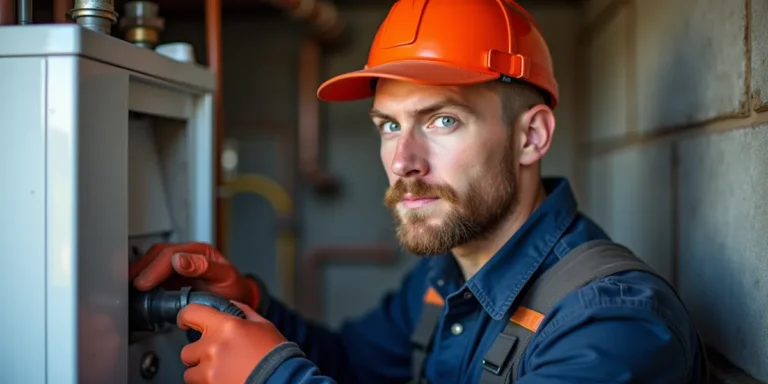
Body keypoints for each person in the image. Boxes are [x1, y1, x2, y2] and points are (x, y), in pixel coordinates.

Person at [130, 1, 707, 383]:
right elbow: (352, 365)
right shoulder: (446, 280)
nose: (403, 161)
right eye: (388, 124)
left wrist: (271, 378)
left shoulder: (613, 326)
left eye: (443, 121)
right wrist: (248, 302)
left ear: (531, 136)